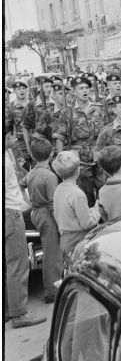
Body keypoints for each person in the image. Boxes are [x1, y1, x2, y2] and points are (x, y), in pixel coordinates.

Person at [5, 123, 48, 328]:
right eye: (12, 136)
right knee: (18, 264)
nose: (15, 139)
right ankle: (19, 313)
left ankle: (9, 307)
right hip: (10, 212)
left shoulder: (8, 155)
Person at [53, 76, 107, 207]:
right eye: (80, 88)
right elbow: (60, 136)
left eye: (86, 88)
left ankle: (103, 219)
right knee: (85, 194)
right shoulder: (67, 113)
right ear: (73, 91)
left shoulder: (99, 109)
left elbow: (108, 131)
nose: (85, 91)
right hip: (80, 161)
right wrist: (61, 158)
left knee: (104, 191)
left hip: (99, 157)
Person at [20, 139, 62, 303]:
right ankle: (52, 292)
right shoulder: (50, 176)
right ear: (51, 154)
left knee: (48, 251)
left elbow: (21, 184)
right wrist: (60, 223)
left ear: (32, 155)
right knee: (52, 254)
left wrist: (29, 201)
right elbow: (53, 204)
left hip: (35, 212)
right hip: (46, 214)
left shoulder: (31, 173)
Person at [52, 151, 101, 262]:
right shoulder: (77, 194)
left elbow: (67, 213)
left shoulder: (58, 189)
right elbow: (87, 224)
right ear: (78, 170)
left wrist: (90, 210)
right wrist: (97, 209)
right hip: (77, 241)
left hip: (64, 239)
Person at [7, 79, 31, 171]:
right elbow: (8, 127)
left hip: (33, 142)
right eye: (18, 89)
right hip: (19, 145)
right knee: (23, 169)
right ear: (14, 92)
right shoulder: (10, 107)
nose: (21, 91)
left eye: (23, 88)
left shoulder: (32, 104)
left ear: (26, 90)